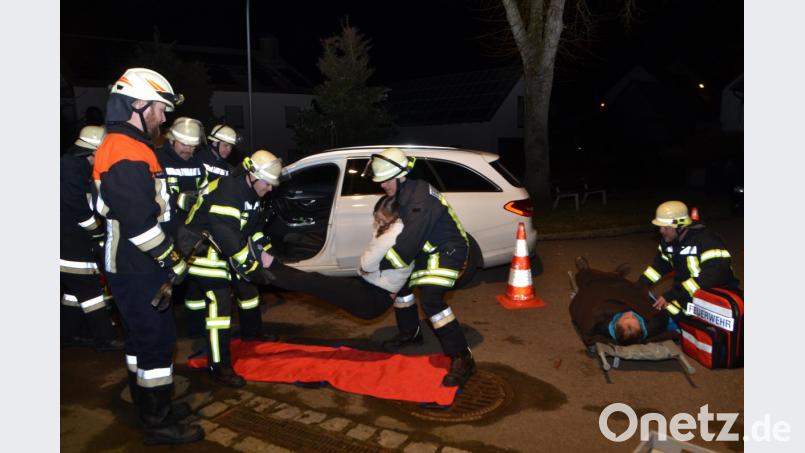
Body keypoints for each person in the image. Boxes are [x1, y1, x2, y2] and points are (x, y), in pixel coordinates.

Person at [92, 67, 203, 445]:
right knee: (155, 343)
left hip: (135, 266)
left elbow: (153, 207)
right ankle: (158, 424)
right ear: (138, 104)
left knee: (142, 343)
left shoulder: (132, 147)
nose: (164, 117)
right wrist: (174, 260)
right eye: (159, 108)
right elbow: (140, 226)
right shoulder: (125, 151)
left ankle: (152, 407)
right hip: (138, 267)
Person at [361, 147, 475, 387]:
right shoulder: (408, 193)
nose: (382, 186)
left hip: (447, 251)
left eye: (384, 181)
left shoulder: (417, 199)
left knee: (432, 300)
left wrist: (376, 265)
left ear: (399, 175)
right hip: (428, 250)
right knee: (402, 289)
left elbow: (408, 244)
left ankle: (462, 357)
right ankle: (410, 334)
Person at [182, 150, 280, 388]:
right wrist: (249, 263)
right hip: (202, 251)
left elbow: (251, 229)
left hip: (224, 250)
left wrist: (266, 251)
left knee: (248, 291)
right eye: (267, 183)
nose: (269, 189)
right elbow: (226, 234)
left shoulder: (251, 194)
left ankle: (251, 333)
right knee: (220, 307)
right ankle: (219, 367)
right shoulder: (230, 189)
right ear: (252, 175)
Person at [262, 195, 414, 319]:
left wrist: (370, 262)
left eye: (382, 220)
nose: (377, 223)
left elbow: (366, 263)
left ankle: (271, 268)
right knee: (315, 280)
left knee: (313, 281)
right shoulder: (404, 230)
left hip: (373, 298)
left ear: (395, 219)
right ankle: (273, 267)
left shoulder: (392, 235)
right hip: (371, 290)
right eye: (376, 217)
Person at [60, 125, 123, 352]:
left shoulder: (77, 166)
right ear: (93, 151)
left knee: (72, 292)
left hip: (71, 242)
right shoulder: (70, 168)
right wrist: (96, 231)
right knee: (91, 292)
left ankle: (67, 333)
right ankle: (105, 338)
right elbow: (76, 206)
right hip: (69, 244)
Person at [638, 201, 741, 316]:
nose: (661, 231)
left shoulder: (707, 241)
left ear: (681, 226)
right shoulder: (668, 243)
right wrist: (640, 284)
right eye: (660, 227)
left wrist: (672, 294)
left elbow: (713, 275)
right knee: (657, 313)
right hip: (685, 296)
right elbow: (659, 266)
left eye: (666, 227)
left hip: (713, 297)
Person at [155, 117, 207, 240]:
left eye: (192, 146)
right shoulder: (157, 159)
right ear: (172, 140)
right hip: (162, 231)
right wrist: (176, 200)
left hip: (190, 232)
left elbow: (205, 191)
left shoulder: (198, 163)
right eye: (184, 144)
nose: (188, 150)